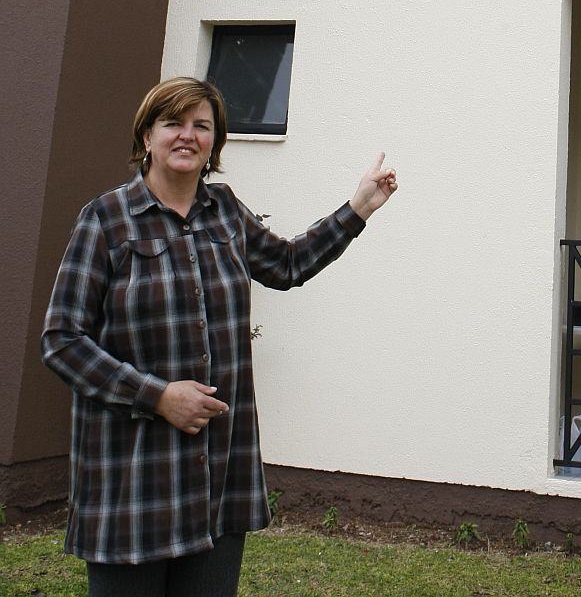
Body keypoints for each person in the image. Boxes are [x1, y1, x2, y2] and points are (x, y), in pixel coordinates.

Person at [41, 75, 397, 596]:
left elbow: (287, 263)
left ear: (214, 144)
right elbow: (62, 340)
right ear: (147, 137)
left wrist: (359, 206)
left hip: (216, 476)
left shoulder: (225, 211)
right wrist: (157, 396)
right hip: (133, 479)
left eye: (201, 126)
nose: (187, 135)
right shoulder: (106, 220)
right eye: (173, 123)